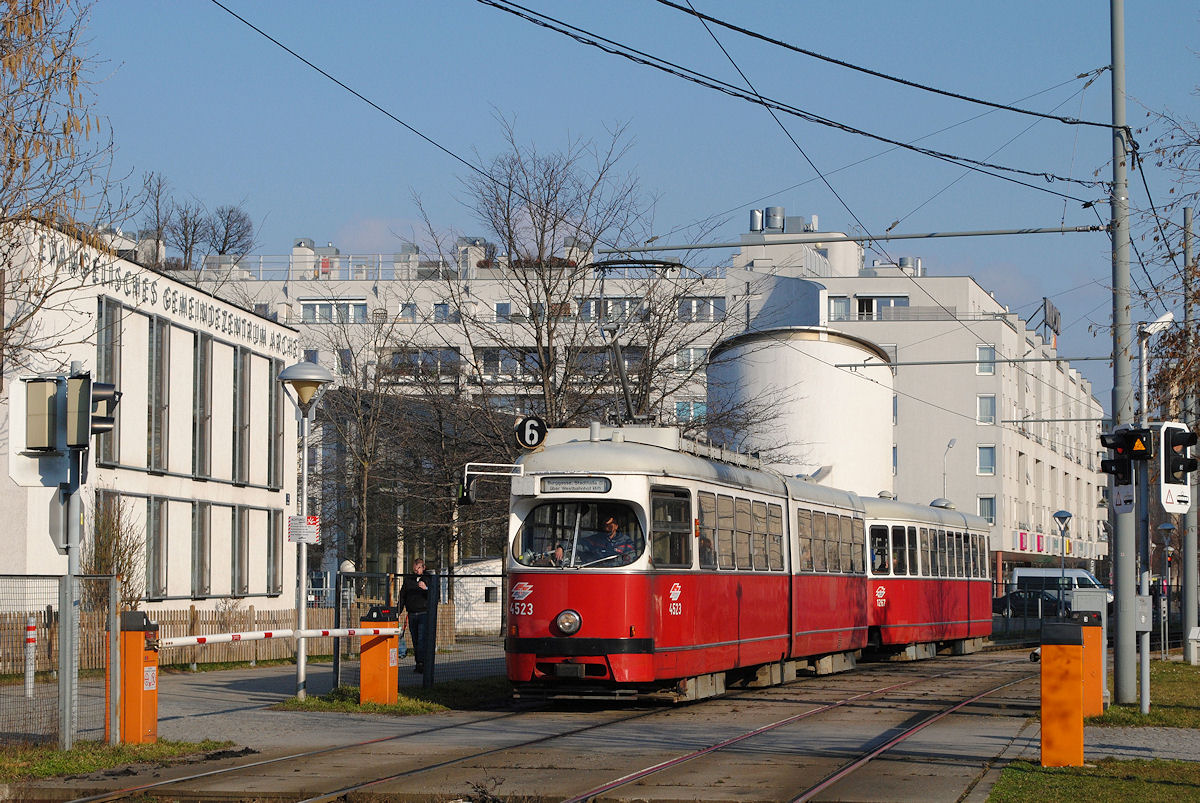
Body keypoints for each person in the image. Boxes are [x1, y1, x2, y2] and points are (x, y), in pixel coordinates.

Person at [401, 557, 429, 673]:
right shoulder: (409, 580)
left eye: (419, 568)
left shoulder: (428, 578)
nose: (416, 570)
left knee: (422, 639)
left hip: (423, 613)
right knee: (415, 640)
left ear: (423, 568)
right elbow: (402, 596)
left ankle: (422, 663)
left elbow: (435, 594)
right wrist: (398, 611)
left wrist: (426, 589)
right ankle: (418, 663)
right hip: (412, 614)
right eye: (415, 568)